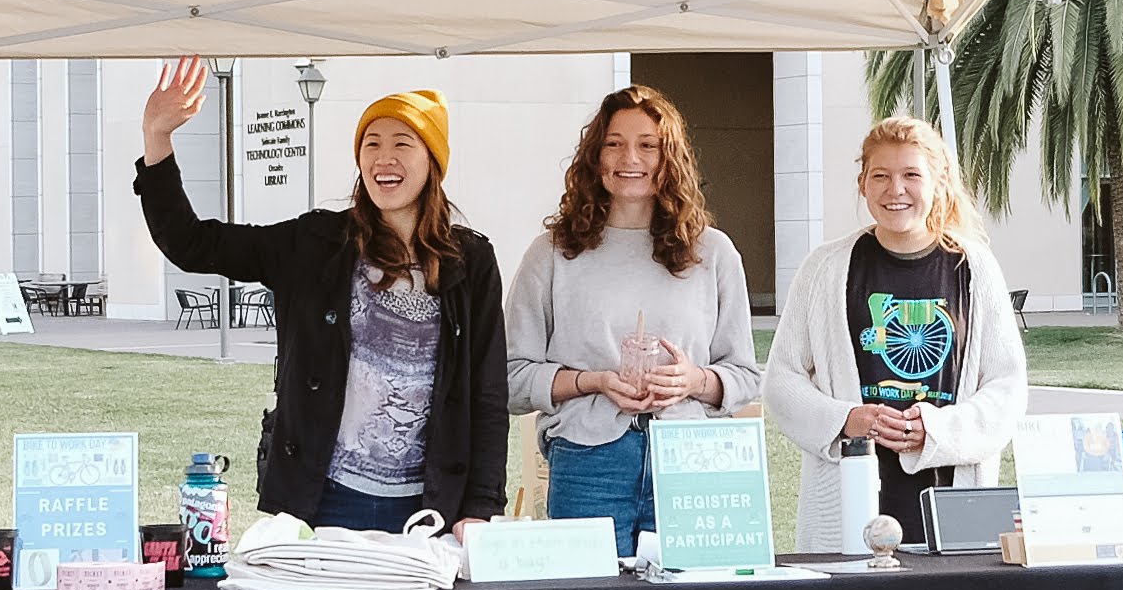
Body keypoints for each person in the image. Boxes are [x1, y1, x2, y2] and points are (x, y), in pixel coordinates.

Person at [133, 59, 506, 533]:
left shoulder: (469, 260)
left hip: (431, 507)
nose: (383, 158)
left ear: (432, 162)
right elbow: (190, 243)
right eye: (371, 145)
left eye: (401, 144)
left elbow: (488, 394)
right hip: (324, 500)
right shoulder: (313, 244)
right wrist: (156, 139)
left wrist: (480, 507)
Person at [505, 85, 759, 554]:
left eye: (648, 145)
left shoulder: (714, 253)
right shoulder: (553, 254)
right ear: (595, 156)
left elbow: (744, 375)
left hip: (691, 462)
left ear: (670, 159)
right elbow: (510, 380)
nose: (630, 157)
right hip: (587, 462)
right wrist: (593, 381)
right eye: (614, 143)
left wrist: (693, 381)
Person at [762, 116, 1028, 548]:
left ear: (937, 182)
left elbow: (1007, 390)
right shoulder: (825, 269)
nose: (895, 190)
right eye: (881, 176)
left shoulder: (974, 269)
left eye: (911, 175)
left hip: (953, 503)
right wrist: (846, 420)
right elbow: (781, 381)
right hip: (847, 503)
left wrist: (937, 430)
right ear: (863, 183)